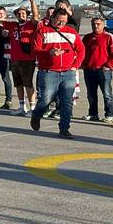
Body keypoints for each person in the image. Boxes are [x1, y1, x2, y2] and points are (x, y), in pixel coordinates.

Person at [29, 9, 85, 139]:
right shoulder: (42, 31)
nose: (61, 23)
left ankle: (64, 128)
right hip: (49, 72)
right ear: (52, 18)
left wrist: (75, 66)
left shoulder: (71, 32)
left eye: (64, 21)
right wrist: (48, 53)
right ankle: (36, 115)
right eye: (59, 20)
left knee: (67, 102)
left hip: (68, 72)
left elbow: (81, 50)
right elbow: (35, 50)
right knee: (46, 99)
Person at [80, 18, 113, 123]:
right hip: (89, 70)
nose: (96, 26)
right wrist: (83, 64)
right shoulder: (87, 37)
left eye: (98, 24)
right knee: (91, 94)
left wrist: (109, 65)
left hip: (104, 71)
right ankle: (93, 114)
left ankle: (109, 114)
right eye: (93, 24)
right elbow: (82, 52)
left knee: (107, 94)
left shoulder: (109, 37)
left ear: (103, 25)